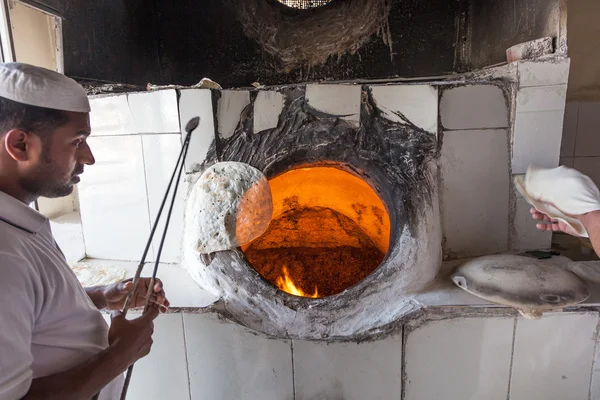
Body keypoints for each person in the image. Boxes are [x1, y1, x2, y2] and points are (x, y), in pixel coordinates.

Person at [0, 63, 169, 400]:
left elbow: (35, 311)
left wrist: (101, 296)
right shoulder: (3, 256)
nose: (88, 158)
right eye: (77, 142)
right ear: (20, 145)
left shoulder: (17, 218)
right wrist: (120, 354)